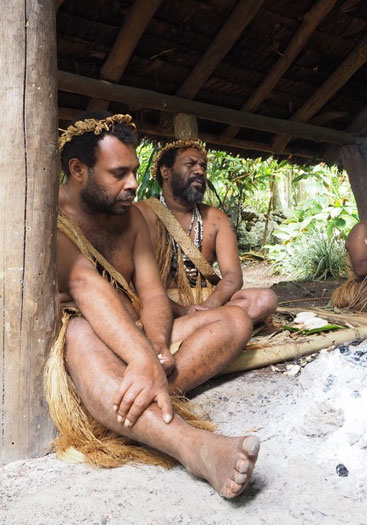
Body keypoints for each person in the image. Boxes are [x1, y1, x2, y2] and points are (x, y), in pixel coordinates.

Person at [46, 112, 258, 499]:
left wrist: (157, 348)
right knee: (79, 331)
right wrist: (143, 360)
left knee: (236, 319)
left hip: (139, 335)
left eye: (134, 171)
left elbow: (154, 294)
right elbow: (83, 283)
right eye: (118, 173)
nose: (132, 185)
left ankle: (119, 406)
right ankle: (193, 447)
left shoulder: (131, 220)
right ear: (78, 170)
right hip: (84, 340)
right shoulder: (49, 216)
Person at [135, 139, 277, 322]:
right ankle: (212, 327)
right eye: (190, 164)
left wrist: (211, 305)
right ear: (165, 172)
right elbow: (133, 283)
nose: (200, 170)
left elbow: (233, 275)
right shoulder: (140, 214)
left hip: (207, 305)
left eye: (203, 166)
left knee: (265, 299)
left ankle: (198, 326)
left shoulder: (216, 219)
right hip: (160, 305)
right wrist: (181, 311)